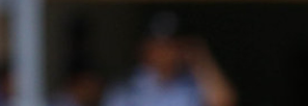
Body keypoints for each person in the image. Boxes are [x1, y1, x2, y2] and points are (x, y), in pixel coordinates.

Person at [101, 12, 236, 106]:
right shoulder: (127, 88)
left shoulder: (191, 84)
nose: (167, 53)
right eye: (160, 46)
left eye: (173, 46)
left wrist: (199, 57)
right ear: (146, 48)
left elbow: (224, 102)